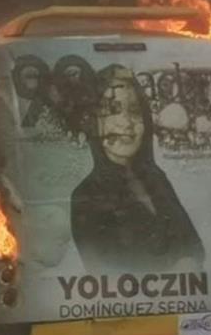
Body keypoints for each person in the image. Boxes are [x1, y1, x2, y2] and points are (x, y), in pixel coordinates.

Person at [71, 64, 204, 274]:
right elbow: (107, 277)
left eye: (134, 111)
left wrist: (186, 265)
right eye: (112, 110)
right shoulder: (85, 195)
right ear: (93, 122)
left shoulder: (156, 177)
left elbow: (195, 247)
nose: (127, 123)